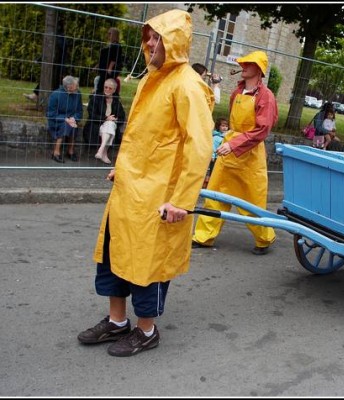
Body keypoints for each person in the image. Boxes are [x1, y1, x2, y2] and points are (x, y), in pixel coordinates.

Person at [77, 9, 215, 357]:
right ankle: (117, 321)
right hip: (129, 188)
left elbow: (197, 147)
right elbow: (144, 137)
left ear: (175, 41)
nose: (150, 43)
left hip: (159, 196)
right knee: (114, 254)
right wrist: (121, 168)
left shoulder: (188, 85)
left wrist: (181, 200)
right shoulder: (149, 79)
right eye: (148, 36)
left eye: (158, 36)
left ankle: (146, 330)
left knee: (149, 263)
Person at [192, 50, 278, 256]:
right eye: (244, 63)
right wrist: (229, 142)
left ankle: (264, 238)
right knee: (215, 193)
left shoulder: (266, 96)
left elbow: (262, 130)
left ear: (258, 69)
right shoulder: (237, 92)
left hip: (250, 155)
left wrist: (234, 144)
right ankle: (203, 236)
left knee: (252, 202)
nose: (243, 66)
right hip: (229, 150)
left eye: (248, 64)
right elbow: (233, 123)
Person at [82, 78, 126, 164]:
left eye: (110, 88)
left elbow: (122, 117)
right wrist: (105, 118)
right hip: (96, 126)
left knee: (110, 124)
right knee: (109, 125)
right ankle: (104, 153)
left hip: (110, 128)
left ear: (114, 90)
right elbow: (92, 115)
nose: (107, 90)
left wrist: (115, 120)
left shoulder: (116, 102)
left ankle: (101, 150)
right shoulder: (96, 98)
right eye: (106, 87)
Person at [46, 75, 83, 163]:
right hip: (56, 120)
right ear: (69, 87)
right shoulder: (55, 95)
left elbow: (79, 111)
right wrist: (65, 119)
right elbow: (51, 114)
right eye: (75, 86)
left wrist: (74, 118)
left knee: (73, 126)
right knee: (65, 125)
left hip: (71, 119)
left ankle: (70, 151)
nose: (77, 87)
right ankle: (56, 152)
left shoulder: (78, 94)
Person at [94, 27, 123, 95]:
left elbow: (114, 58)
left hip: (108, 70)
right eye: (108, 33)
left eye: (110, 34)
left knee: (104, 85)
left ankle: (101, 98)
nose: (108, 35)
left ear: (114, 35)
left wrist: (110, 68)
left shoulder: (116, 46)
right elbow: (104, 58)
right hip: (103, 69)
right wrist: (97, 66)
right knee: (100, 83)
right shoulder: (110, 45)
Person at [203, 117, 229, 189]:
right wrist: (212, 156)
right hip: (215, 158)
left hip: (222, 157)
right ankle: (207, 184)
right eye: (223, 126)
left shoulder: (226, 135)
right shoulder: (216, 137)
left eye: (226, 126)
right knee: (211, 171)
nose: (225, 128)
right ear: (218, 127)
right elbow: (213, 147)